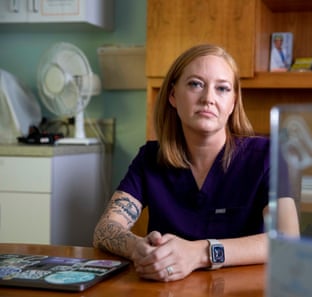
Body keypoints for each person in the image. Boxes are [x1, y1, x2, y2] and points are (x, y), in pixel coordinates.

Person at [93, 44, 299, 282]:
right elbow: (104, 230)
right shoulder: (150, 158)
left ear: (233, 103)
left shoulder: (266, 156)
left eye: (222, 88)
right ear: (172, 95)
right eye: (195, 84)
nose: (208, 98)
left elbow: (288, 241)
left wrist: (200, 253)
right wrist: (137, 247)